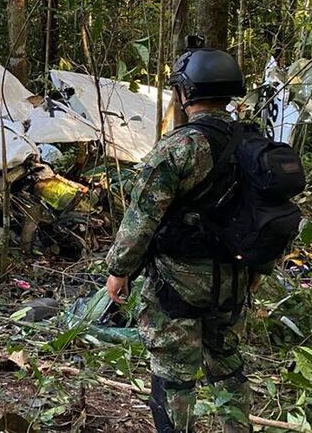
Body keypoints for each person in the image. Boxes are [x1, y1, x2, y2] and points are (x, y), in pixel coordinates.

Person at [104, 45, 264, 433]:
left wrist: (118, 270)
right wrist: (258, 269)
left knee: (174, 373)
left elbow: (141, 217)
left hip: (178, 284)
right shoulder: (253, 144)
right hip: (234, 279)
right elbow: (267, 213)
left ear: (185, 92)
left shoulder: (180, 148)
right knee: (227, 364)